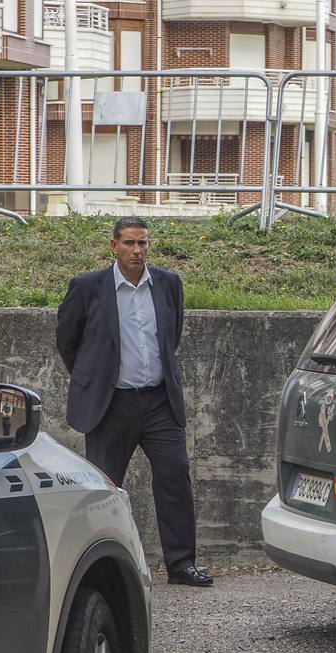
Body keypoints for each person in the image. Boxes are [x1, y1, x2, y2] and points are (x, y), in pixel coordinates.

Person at [56, 217, 212, 587]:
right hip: (111, 405)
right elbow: (68, 341)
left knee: (175, 476)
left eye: (142, 243)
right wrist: (96, 380)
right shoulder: (88, 287)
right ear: (114, 246)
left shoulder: (168, 284)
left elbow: (171, 336)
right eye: (128, 243)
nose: (137, 251)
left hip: (159, 402)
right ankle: (100, 571)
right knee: (104, 490)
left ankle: (181, 565)